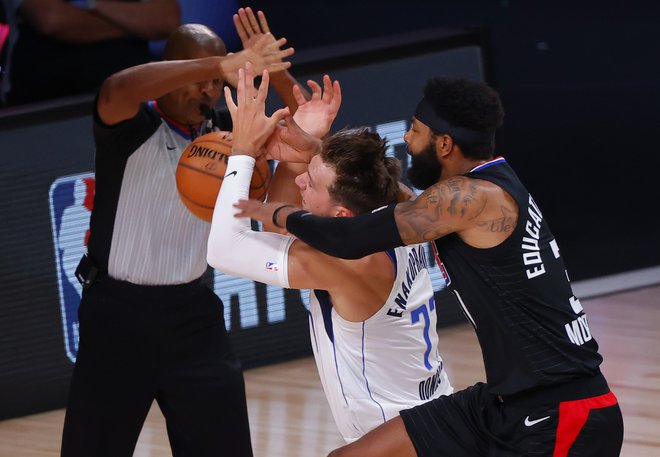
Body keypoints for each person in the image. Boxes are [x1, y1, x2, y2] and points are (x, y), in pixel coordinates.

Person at [235, 76, 624, 456]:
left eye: (416, 131)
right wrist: (318, 152)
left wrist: (276, 214)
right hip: (507, 403)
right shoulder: (486, 185)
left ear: (444, 143)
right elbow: (390, 196)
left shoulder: (472, 198)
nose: (406, 139)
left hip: (561, 413)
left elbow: (350, 237)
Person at [60, 9, 301, 456]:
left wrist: (277, 74)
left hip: (193, 316)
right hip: (118, 316)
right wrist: (220, 64)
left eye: (216, 83)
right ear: (172, 69)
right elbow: (118, 87)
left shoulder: (229, 134)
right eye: (198, 77)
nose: (208, 90)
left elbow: (308, 131)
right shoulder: (130, 128)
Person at [206, 64, 453, 443]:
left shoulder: (346, 261)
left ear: (341, 216)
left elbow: (224, 248)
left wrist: (241, 152)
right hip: (435, 416)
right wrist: (305, 145)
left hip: (402, 438)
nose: (301, 178)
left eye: (312, 180)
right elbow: (280, 226)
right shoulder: (405, 211)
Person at [4, 0, 179, 105]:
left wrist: (89, 4)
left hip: (129, 102)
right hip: (43, 111)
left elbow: (166, 20)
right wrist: (136, 24)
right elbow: (51, 20)